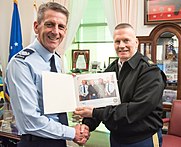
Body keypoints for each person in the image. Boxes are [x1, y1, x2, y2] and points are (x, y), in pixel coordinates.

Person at [5, 2, 89, 147]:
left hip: (59, 140)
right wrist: (72, 133)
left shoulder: (56, 59)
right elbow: (30, 120)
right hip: (36, 142)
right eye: (50, 24)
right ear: (36, 27)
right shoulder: (21, 64)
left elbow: (54, 104)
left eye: (61, 26)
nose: (56, 32)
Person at [74, 23, 167, 147]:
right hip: (116, 138)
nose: (121, 45)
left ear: (136, 42)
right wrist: (87, 125)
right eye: (117, 41)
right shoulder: (110, 70)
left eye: (126, 40)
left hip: (142, 140)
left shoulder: (150, 72)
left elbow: (134, 111)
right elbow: (100, 103)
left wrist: (94, 113)